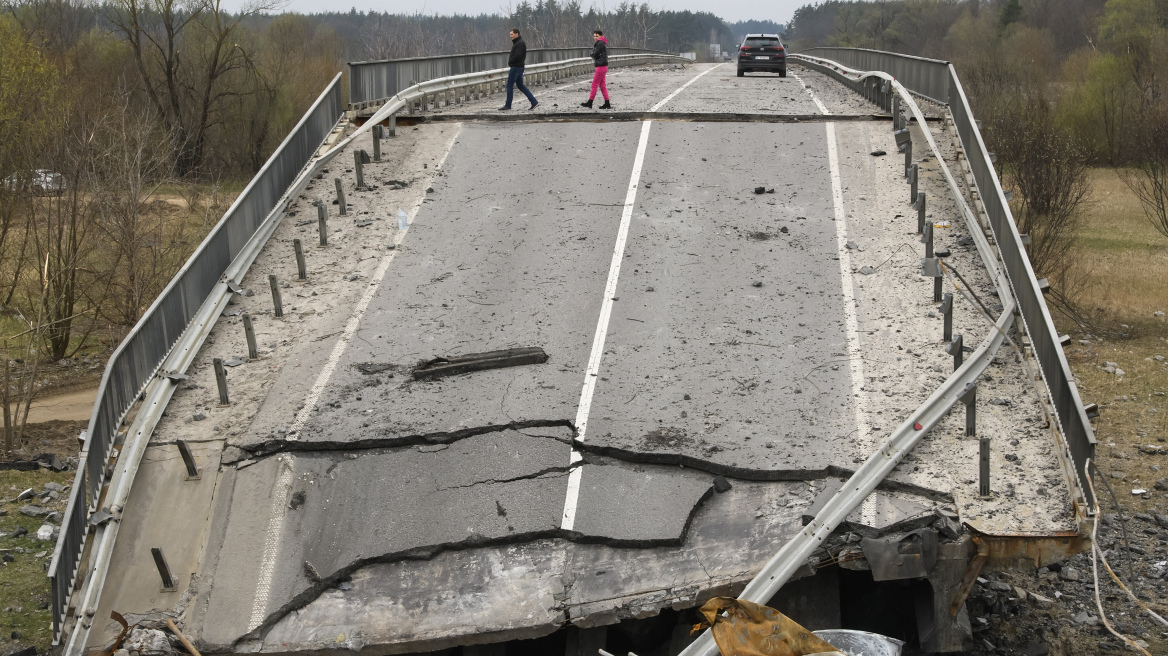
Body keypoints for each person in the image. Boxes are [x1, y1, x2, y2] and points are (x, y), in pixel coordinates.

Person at [500, 28, 538, 111]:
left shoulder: (519, 43)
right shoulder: (518, 42)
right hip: (519, 67)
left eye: (512, 34)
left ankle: (508, 104)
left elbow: (517, 55)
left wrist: (510, 62)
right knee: (520, 86)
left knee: (509, 85)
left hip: (516, 67)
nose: (510, 36)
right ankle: (533, 101)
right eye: (510, 35)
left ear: (517, 34)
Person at [581, 30, 611, 109]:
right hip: (604, 66)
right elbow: (597, 53)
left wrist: (592, 54)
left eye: (596, 36)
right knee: (602, 85)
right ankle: (607, 103)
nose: (595, 38)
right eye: (594, 36)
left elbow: (594, 53)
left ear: (601, 36)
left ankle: (590, 102)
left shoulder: (600, 43)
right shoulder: (602, 42)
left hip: (600, 66)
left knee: (594, 84)